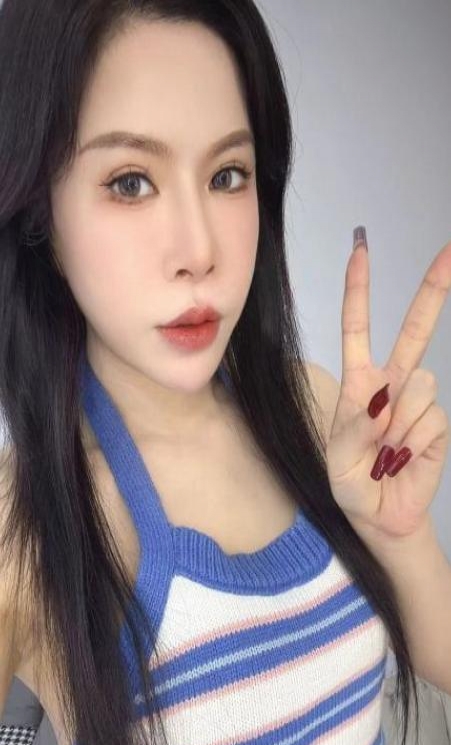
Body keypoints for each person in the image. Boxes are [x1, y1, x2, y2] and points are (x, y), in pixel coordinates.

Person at [0, 2, 450, 745]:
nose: (199, 250)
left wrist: (398, 536)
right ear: (41, 210)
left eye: (227, 174)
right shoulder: (29, 523)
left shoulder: (314, 408)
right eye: (130, 182)